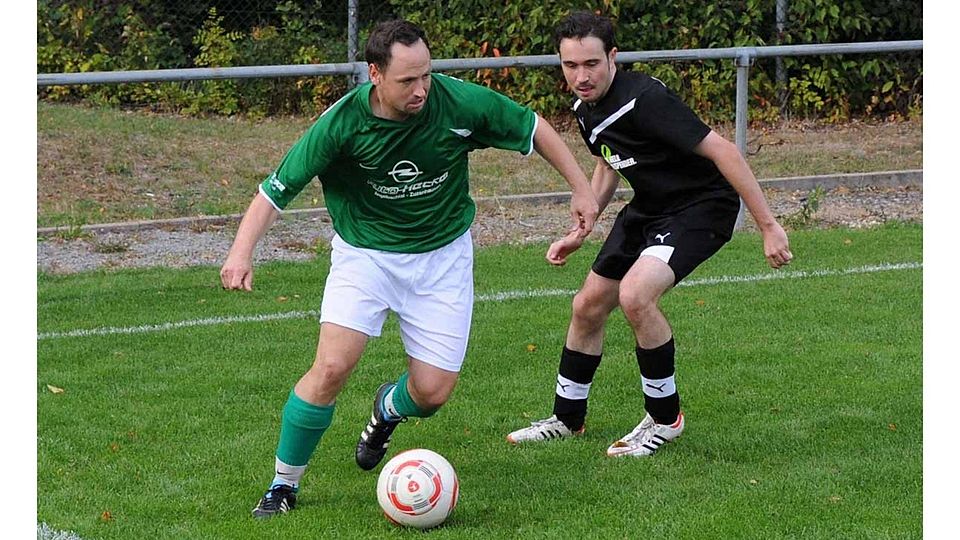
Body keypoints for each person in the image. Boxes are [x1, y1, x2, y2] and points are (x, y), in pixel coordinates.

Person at [220, 19, 599, 518]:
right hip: (366, 257)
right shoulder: (342, 123)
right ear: (375, 74)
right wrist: (241, 251)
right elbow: (277, 189)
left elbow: (532, 127)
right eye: (407, 80)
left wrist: (581, 188)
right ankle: (283, 485)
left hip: (443, 259)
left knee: (432, 393)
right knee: (332, 366)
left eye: (426, 75)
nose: (421, 89)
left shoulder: (457, 102)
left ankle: (387, 408)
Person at [506, 11, 793, 457]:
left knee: (636, 295)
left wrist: (768, 227)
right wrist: (582, 227)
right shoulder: (585, 109)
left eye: (591, 64)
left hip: (701, 206)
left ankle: (665, 419)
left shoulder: (645, 99)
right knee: (587, 305)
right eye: (570, 65)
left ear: (613, 57)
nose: (581, 77)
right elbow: (608, 163)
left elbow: (724, 151)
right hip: (650, 208)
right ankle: (567, 418)